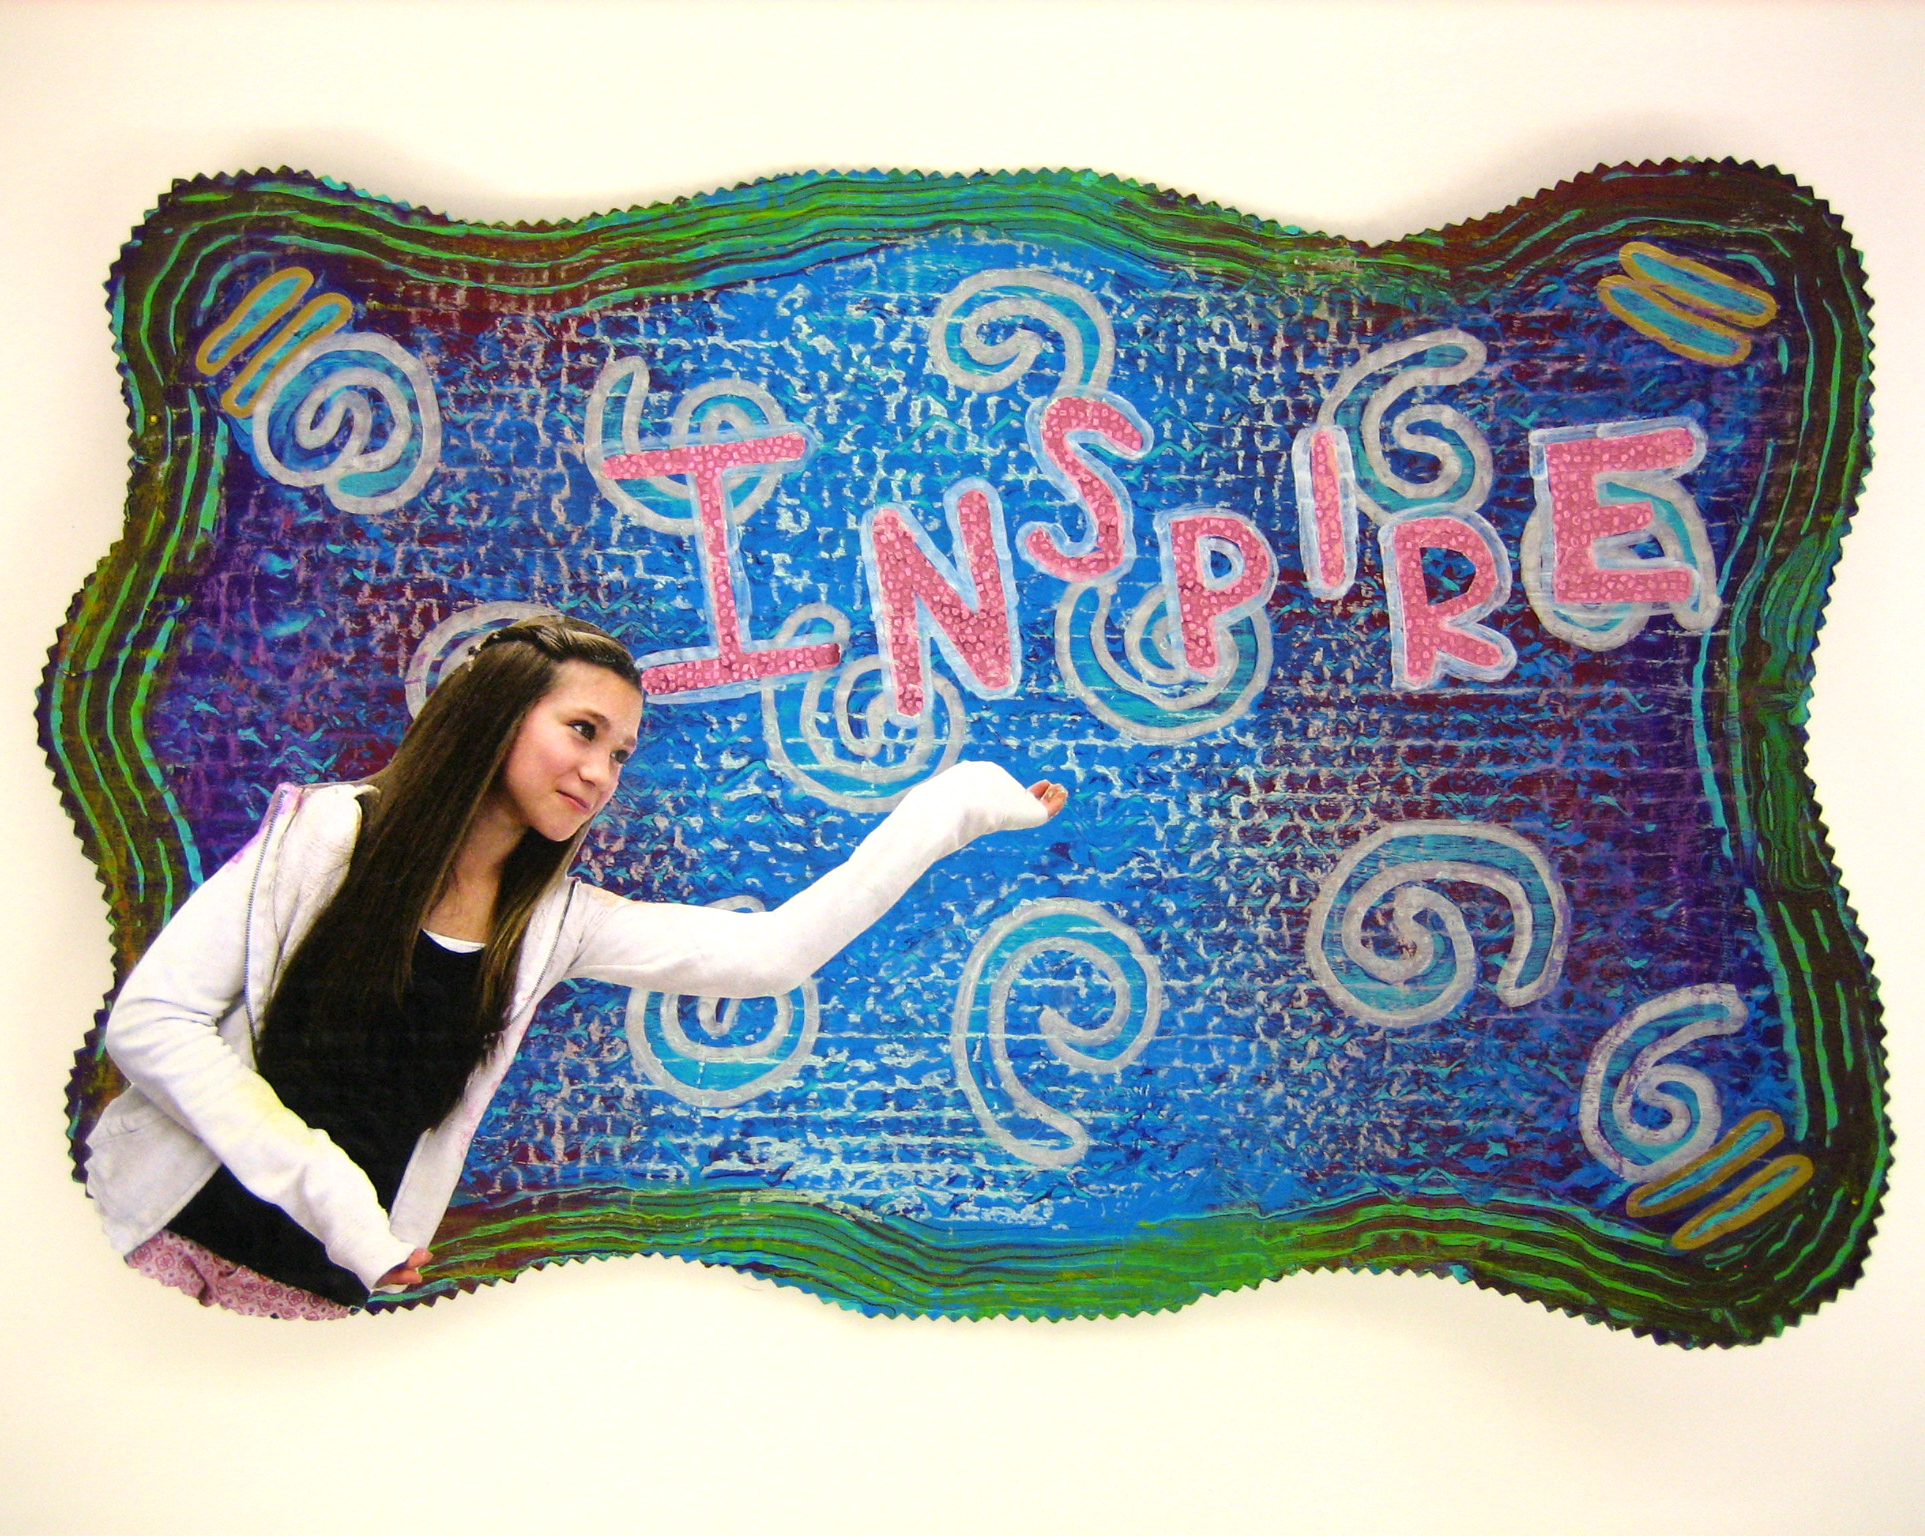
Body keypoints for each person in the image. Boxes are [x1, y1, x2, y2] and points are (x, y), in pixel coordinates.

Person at [83, 612, 1068, 1319]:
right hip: (147, 1246)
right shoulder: (329, 833)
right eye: (583, 731)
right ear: (496, 714)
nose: (600, 773)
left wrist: (953, 808)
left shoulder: (553, 925)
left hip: (320, 1305)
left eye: (621, 754)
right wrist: (334, 1198)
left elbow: (773, 954)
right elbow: (152, 1021)